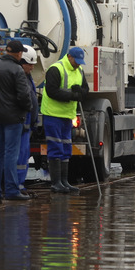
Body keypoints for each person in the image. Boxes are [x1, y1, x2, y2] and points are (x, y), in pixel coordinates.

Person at [0, 39, 33, 202]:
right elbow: (24, 96)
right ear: (19, 53)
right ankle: (11, 190)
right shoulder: (17, 70)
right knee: (11, 154)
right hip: (13, 118)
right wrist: (27, 108)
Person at [41, 46, 89, 193]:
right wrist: (73, 95)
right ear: (69, 57)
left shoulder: (79, 71)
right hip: (53, 115)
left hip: (67, 116)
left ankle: (64, 181)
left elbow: (85, 90)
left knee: (66, 148)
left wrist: (81, 92)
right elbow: (52, 91)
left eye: (80, 62)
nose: (78, 64)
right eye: (76, 61)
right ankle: (56, 183)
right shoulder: (56, 69)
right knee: (55, 147)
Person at [17, 46, 40, 196]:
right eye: (30, 64)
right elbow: (28, 100)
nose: (32, 68)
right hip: (22, 121)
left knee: (23, 154)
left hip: (27, 121)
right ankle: (17, 185)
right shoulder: (20, 77)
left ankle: (19, 184)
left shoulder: (26, 76)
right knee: (20, 154)